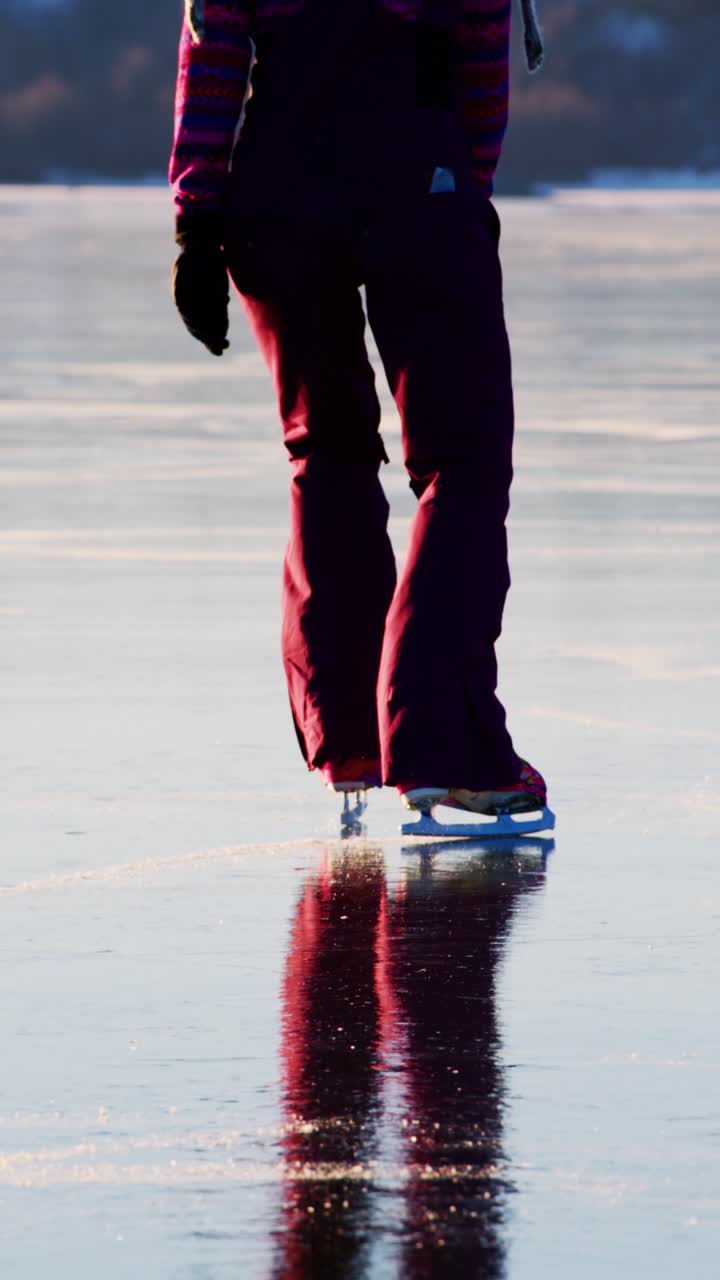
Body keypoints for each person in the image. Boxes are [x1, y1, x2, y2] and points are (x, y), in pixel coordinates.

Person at [169, 0, 549, 822]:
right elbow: (480, 49)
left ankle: (353, 740)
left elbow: (213, 49)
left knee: (326, 453)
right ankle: (443, 753)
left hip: (277, 184)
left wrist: (196, 224)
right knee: (463, 457)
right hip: (416, 167)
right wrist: (464, 187)